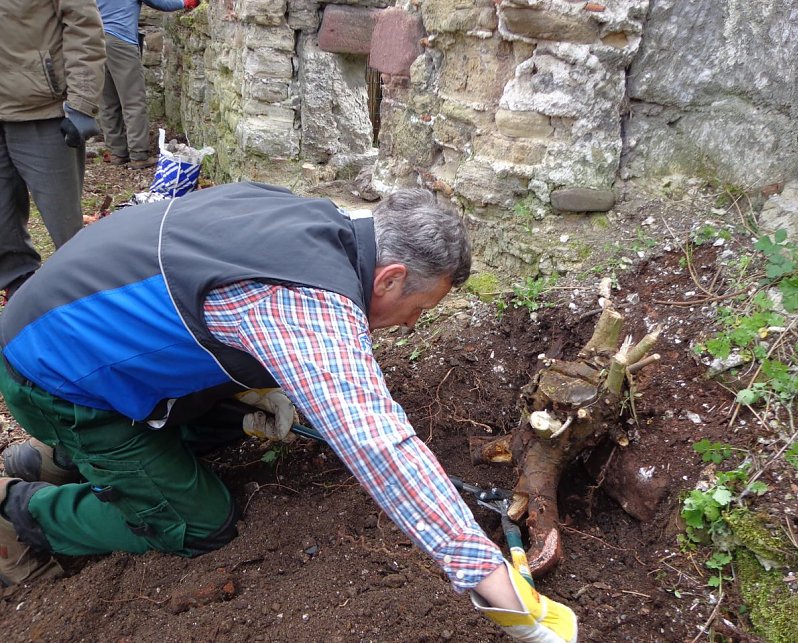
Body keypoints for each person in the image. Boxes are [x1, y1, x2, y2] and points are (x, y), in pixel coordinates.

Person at [0, 183, 577, 641]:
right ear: (392, 276)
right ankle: (21, 511)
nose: (410, 325)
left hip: (70, 332)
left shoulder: (315, 221)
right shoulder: (306, 303)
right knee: (201, 524)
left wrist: (260, 396)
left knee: (243, 401)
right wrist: (486, 576)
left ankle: (52, 459)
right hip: (55, 380)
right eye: (416, 308)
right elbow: (379, 443)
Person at [0, 0, 106, 305]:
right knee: (2, 224)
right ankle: (22, 290)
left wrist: (83, 103)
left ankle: (89, 299)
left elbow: (83, 24)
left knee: (66, 224)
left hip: (42, 110)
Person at [96, 0, 199, 170]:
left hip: (97, 41)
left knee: (108, 101)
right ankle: (138, 155)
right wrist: (185, 2)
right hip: (121, 41)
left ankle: (117, 152)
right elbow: (161, 3)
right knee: (133, 101)